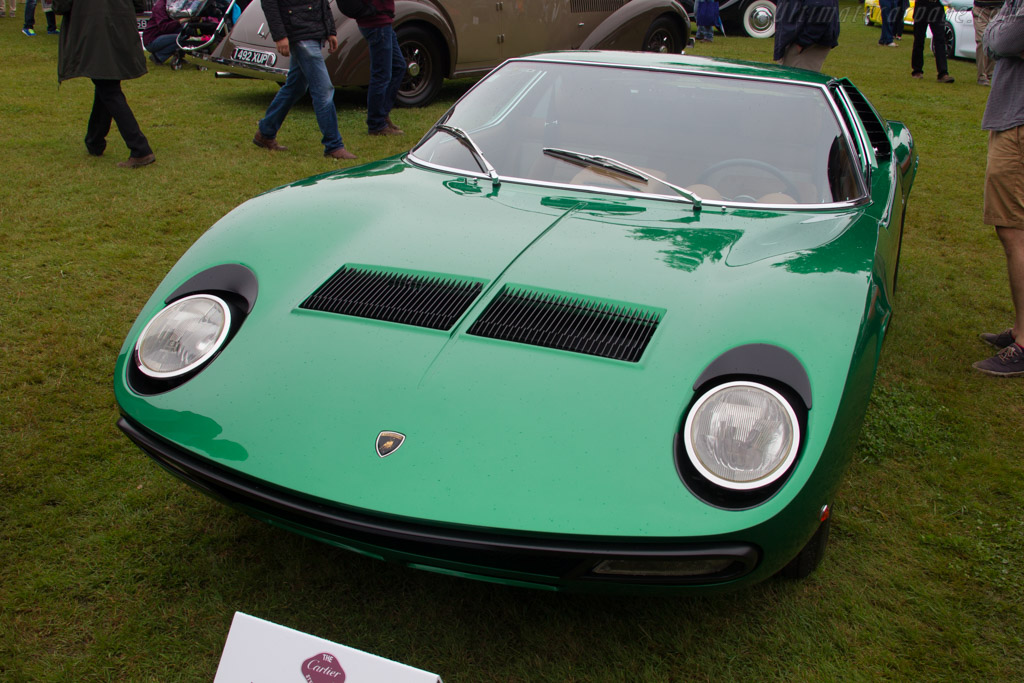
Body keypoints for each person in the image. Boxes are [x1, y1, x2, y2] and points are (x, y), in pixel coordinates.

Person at [974, 0, 1024, 376]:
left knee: (1015, 231)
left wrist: (997, 29)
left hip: (1019, 125)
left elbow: (1001, 39)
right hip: (1013, 118)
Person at [57, 0, 156, 168]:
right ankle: (94, 141)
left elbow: (61, 6)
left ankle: (140, 149)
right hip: (119, 24)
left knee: (108, 88)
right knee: (105, 83)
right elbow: (140, 4)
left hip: (95, 28)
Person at [253, 0, 357, 159]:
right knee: (323, 91)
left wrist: (330, 30)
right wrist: (280, 35)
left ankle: (266, 132)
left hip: (309, 31)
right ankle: (333, 145)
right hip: (300, 33)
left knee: (296, 86)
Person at [355, 0, 405, 135]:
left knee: (398, 66)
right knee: (381, 75)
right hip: (377, 21)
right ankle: (376, 123)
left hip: (381, 20)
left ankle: (382, 115)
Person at [772, 0, 840, 72]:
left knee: (796, 79)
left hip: (805, 46)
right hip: (793, 40)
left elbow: (822, 9)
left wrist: (803, 42)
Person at [911, 0, 954, 81]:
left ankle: (943, 73)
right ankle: (917, 70)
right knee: (919, 39)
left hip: (936, 5)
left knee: (940, 39)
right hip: (922, 4)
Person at [143, 0, 185, 65]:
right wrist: (180, 21)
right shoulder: (160, 6)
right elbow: (164, 27)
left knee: (185, 33)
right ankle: (158, 56)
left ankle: (179, 57)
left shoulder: (171, 4)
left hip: (159, 36)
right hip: (152, 40)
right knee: (181, 38)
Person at [974, 0, 1006, 84]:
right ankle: (982, 76)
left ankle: (990, 73)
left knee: (995, 39)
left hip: (998, 9)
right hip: (980, 9)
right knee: (982, 40)